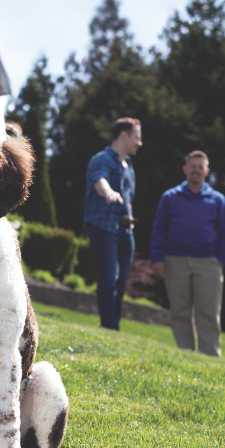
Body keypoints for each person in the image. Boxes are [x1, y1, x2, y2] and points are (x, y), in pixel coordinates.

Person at [150, 151, 225, 356]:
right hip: (175, 261)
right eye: (192, 166)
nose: (196, 170)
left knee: (209, 313)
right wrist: (157, 258)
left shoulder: (218, 200)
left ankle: (210, 358)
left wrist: (219, 259)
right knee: (180, 312)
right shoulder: (170, 198)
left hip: (208, 262)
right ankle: (185, 354)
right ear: (185, 169)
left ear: (207, 171)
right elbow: (158, 230)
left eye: (200, 166)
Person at [83, 118, 141, 330]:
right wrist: (108, 192)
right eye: (137, 137)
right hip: (104, 227)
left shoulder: (128, 165)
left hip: (125, 230)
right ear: (124, 136)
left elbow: (128, 196)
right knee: (109, 278)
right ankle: (109, 325)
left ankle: (112, 323)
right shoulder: (102, 159)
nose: (140, 143)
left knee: (121, 281)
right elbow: (100, 181)